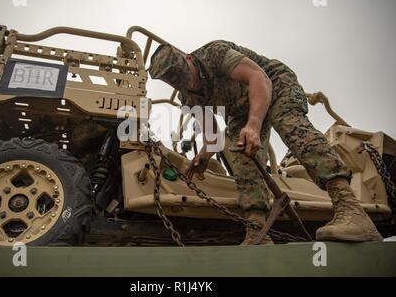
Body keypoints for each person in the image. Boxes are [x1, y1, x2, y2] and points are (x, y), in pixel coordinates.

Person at [148, 40, 383, 245]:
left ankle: (351, 209)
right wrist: (203, 157)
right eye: (183, 84)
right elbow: (213, 137)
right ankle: (257, 230)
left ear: (189, 58)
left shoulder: (214, 54)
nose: (191, 85)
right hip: (242, 109)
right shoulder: (188, 97)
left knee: (289, 125)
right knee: (240, 154)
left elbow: (258, 78)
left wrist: (253, 125)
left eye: (189, 77)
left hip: (275, 83)